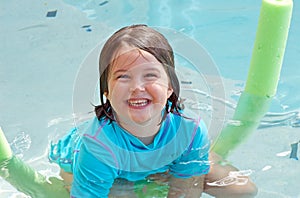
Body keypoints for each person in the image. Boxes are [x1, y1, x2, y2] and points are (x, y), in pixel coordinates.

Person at [49, 24, 257, 197]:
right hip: (80, 162)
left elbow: (185, 194)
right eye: (123, 76)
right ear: (107, 91)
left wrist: (184, 177)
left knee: (243, 191)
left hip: (163, 160)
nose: (137, 87)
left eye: (150, 75)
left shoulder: (189, 130)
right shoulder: (97, 147)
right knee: (123, 193)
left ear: (170, 87)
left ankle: (184, 163)